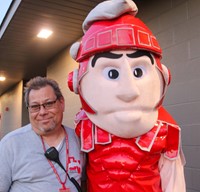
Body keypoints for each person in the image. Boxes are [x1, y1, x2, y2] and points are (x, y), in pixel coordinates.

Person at [67, 0, 186, 191]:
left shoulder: (166, 130)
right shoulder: (83, 125)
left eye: (138, 72)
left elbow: (174, 182)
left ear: (163, 75)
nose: (129, 91)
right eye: (112, 73)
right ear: (75, 82)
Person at [0, 76, 85, 192]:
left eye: (49, 104)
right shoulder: (10, 144)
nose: (42, 112)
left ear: (62, 103)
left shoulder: (79, 140)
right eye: (35, 107)